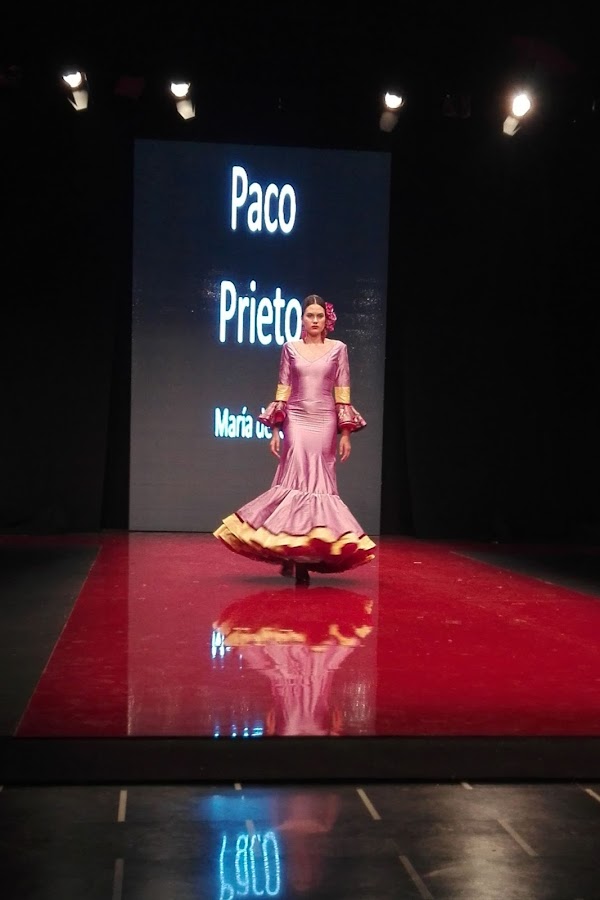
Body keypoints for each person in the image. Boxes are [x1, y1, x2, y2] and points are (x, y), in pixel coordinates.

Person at [213, 294, 376, 585]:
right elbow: (283, 390)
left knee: (320, 482)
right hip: (297, 419)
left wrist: (346, 434)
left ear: (327, 320)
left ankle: (302, 553)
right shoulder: (290, 348)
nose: (314, 320)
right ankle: (294, 554)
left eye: (319, 316)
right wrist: (275, 430)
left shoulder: (338, 349)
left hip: (324, 419)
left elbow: (342, 392)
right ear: (302, 319)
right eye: (309, 315)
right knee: (296, 479)